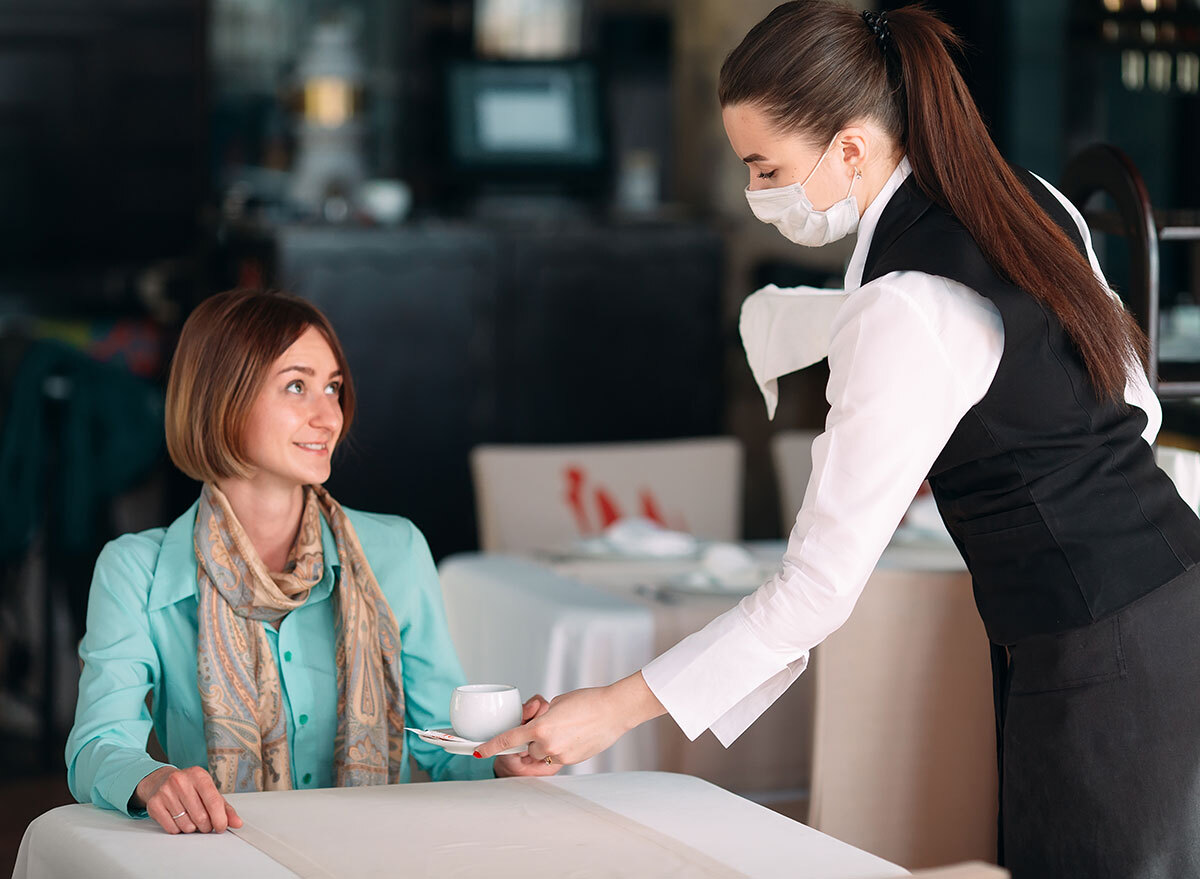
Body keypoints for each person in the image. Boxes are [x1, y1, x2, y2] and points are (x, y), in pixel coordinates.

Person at [475, 3, 1200, 876]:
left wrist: (615, 709)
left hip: (1098, 650)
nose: (757, 195)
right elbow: (1135, 403)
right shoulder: (1028, 202)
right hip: (1173, 595)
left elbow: (814, 591)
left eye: (765, 167)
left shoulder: (904, 304)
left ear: (850, 149)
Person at [66, 289, 558, 835]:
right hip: (228, 862)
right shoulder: (136, 571)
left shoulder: (396, 550)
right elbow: (97, 745)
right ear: (220, 396)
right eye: (297, 386)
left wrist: (501, 758)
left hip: (378, 857)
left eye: (334, 388)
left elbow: (442, 742)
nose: (329, 415)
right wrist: (151, 779)